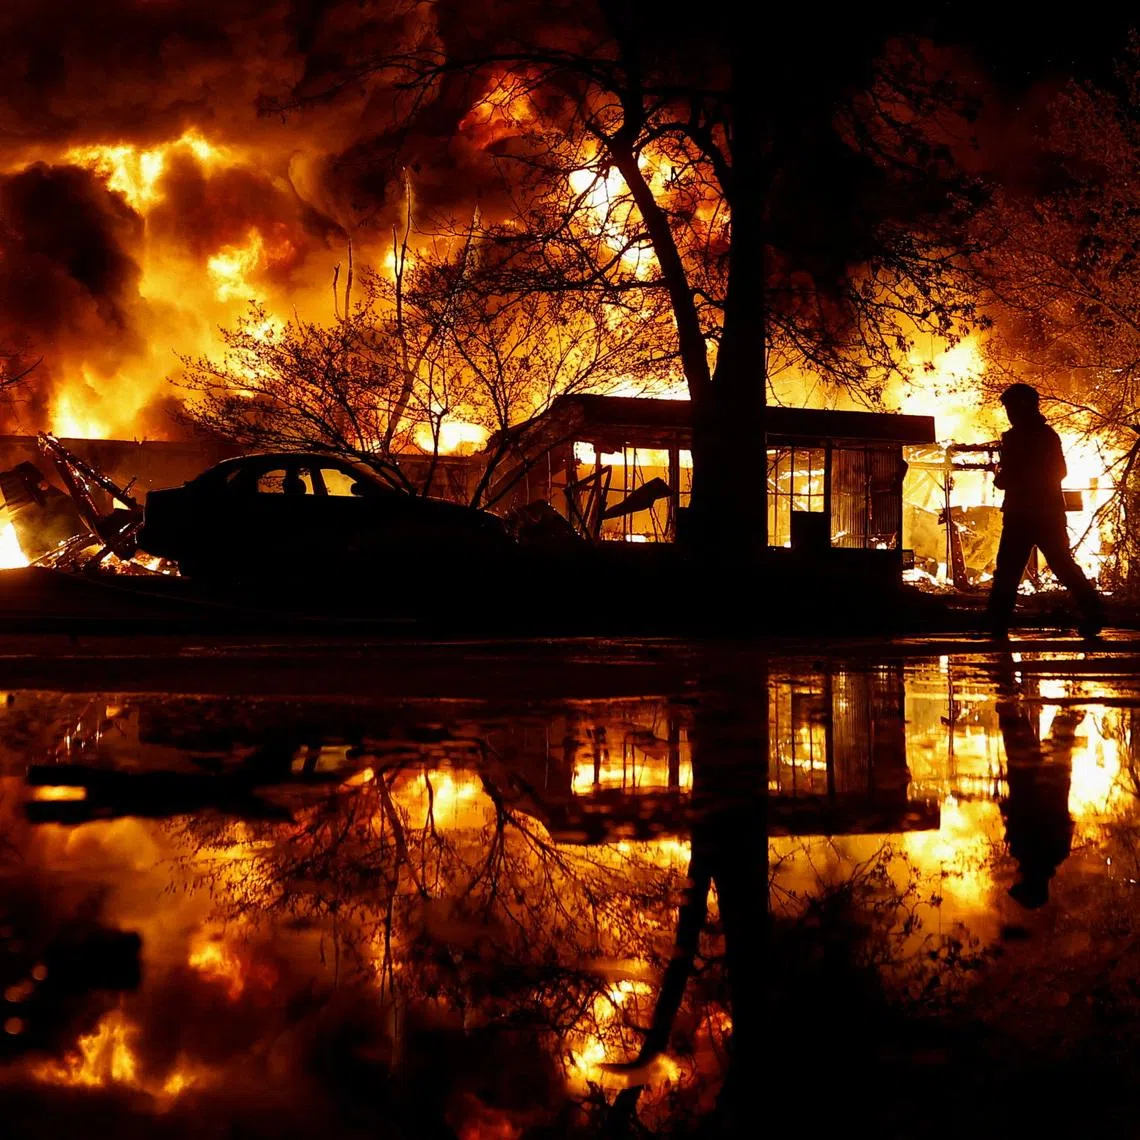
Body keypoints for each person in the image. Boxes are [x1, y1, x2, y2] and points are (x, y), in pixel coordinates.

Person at [986, 383, 1104, 638]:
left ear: (1022, 408)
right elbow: (1060, 472)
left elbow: (1007, 479)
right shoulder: (1048, 436)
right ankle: (1094, 612)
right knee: (1060, 564)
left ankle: (996, 624)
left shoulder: (1015, 438)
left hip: (1023, 514)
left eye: (1010, 408)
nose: (1009, 414)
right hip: (1047, 513)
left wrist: (1004, 476)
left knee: (1009, 569)